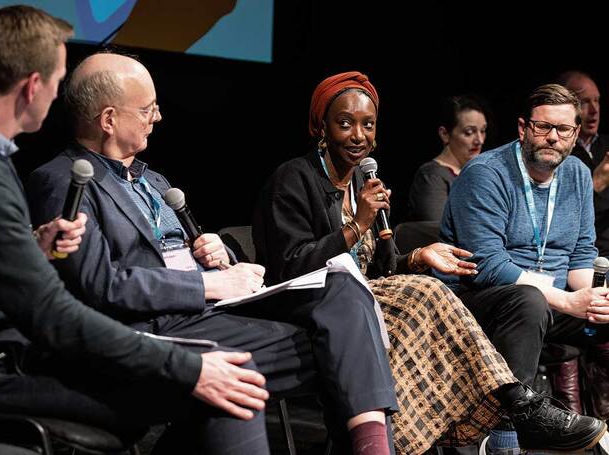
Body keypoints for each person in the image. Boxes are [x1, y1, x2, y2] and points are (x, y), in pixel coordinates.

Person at [0, 6, 285, 454]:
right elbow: (51, 314)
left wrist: (33, 248)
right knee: (228, 388)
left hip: (9, 352)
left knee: (223, 382)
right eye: (58, 81)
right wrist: (186, 366)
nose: (60, 98)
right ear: (33, 86)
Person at [27, 52, 401, 455]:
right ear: (109, 120)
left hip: (212, 313)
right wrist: (204, 283)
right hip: (153, 328)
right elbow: (98, 285)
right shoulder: (64, 181)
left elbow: (187, 255)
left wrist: (214, 253)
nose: (158, 117)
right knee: (341, 354)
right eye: (148, 109)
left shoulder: (153, 179)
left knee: (342, 294)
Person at [252, 72, 607, 455]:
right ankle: (517, 409)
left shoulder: (361, 183)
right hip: (314, 300)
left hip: (366, 296)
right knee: (436, 292)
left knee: (427, 288)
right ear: (321, 126)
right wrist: (358, 226)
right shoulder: (293, 179)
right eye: (345, 123)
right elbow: (290, 266)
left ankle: (520, 412)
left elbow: (382, 270)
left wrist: (418, 256)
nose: (358, 135)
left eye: (367, 125)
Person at [439, 83, 609, 453]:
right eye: (542, 126)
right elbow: (487, 264)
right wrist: (567, 301)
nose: (552, 137)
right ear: (522, 128)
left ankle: (601, 424)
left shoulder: (578, 174)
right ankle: (506, 437)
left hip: (552, 299)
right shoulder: (486, 173)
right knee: (529, 301)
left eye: (563, 129)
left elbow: (581, 253)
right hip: (479, 299)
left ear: (575, 133)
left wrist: (592, 297)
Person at [557, 71, 609, 420]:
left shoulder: (605, 145)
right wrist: (599, 180)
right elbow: (557, 219)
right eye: (584, 102)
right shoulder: (558, 153)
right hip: (578, 261)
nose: (593, 110)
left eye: (597, 102)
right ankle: (585, 419)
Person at [407, 95, 487, 222]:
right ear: (445, 134)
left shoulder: (479, 174)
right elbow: (436, 230)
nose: (480, 140)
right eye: (469, 132)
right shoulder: (432, 176)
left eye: (482, 131)